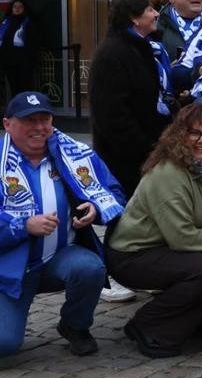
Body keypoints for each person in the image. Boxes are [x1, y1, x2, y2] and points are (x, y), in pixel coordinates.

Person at [105, 103, 202, 358]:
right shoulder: (168, 173)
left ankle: (187, 319)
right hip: (134, 254)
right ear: (180, 135)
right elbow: (183, 238)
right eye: (194, 133)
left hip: (167, 248)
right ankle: (148, 324)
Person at [0, 92, 122, 357]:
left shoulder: (72, 152)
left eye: (44, 119)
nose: (39, 128)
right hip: (7, 269)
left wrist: (96, 208)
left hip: (59, 257)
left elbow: (113, 190)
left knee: (90, 267)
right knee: (5, 344)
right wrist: (22, 226)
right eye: (29, 120)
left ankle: (74, 325)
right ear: (7, 124)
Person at [89, 0, 173, 198]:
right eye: (150, 9)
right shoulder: (113, 55)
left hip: (146, 156)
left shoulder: (141, 48)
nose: (156, 14)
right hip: (126, 164)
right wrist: (146, 149)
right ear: (134, 18)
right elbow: (113, 116)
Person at [0, 0, 36, 100]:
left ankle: (24, 110)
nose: (17, 8)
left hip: (24, 60)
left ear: (24, 9)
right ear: (11, 9)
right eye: (15, 6)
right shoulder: (6, 22)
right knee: (13, 86)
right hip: (9, 60)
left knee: (24, 86)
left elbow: (33, 41)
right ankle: (16, 110)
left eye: (20, 6)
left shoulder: (29, 22)